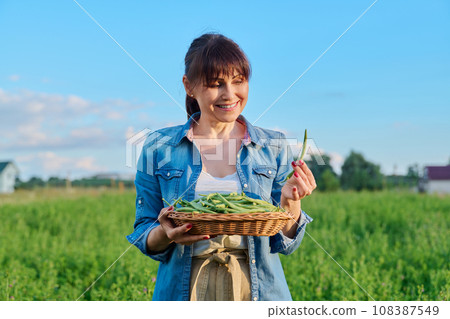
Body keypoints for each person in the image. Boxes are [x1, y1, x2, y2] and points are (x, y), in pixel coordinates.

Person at [126, 33, 316, 301]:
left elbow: (284, 243)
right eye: (216, 84)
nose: (230, 95)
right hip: (183, 289)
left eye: (238, 81)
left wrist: (290, 203)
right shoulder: (158, 147)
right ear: (189, 86)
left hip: (257, 290)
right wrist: (166, 233)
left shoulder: (274, 146)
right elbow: (144, 231)